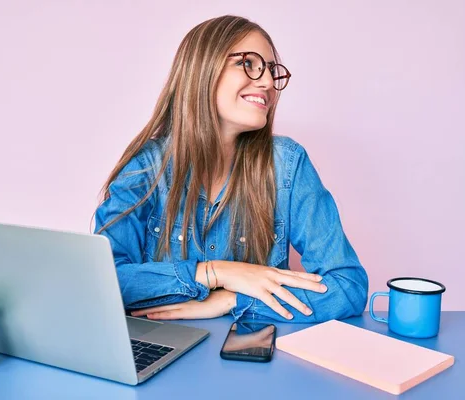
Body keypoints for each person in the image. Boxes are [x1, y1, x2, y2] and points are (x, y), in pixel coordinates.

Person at [93, 15, 368, 323]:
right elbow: (103, 283)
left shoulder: (287, 164)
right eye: (248, 63)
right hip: (162, 351)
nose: (267, 83)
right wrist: (217, 272)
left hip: (247, 357)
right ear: (202, 70)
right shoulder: (146, 168)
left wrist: (233, 299)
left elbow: (348, 287)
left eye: (272, 71)